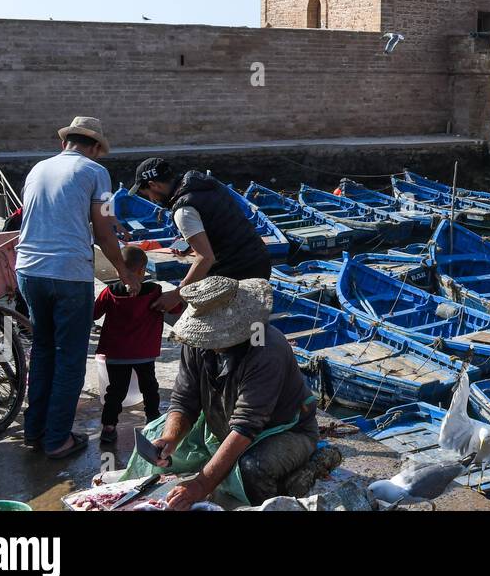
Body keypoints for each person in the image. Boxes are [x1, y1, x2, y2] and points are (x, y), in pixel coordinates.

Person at [15, 116, 127, 459]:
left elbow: (58, 213)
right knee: (70, 358)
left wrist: (106, 222)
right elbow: (104, 231)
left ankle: (35, 431)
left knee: (45, 350)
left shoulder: (39, 168)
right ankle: (58, 439)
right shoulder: (96, 172)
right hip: (67, 273)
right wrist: (125, 271)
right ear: (93, 147)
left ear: (66, 142)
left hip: (28, 270)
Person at [154, 276, 320, 508]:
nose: (206, 340)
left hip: (286, 431)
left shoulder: (266, 348)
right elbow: (184, 400)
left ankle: (296, 478)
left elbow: (245, 426)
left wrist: (202, 484)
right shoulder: (196, 343)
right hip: (224, 423)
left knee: (252, 469)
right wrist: (170, 438)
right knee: (157, 443)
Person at [130, 159, 271, 312]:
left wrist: (177, 294)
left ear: (153, 185)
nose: (152, 200)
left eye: (148, 194)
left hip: (237, 271)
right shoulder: (203, 183)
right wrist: (192, 244)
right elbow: (219, 223)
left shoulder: (183, 210)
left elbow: (205, 258)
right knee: (252, 319)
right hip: (260, 259)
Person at [93, 245, 163, 443]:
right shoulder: (154, 291)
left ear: (118, 270)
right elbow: (174, 307)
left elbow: (94, 313)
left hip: (116, 354)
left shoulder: (109, 291)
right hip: (144, 353)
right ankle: (153, 418)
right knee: (149, 386)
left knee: (115, 391)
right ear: (143, 271)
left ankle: (108, 426)